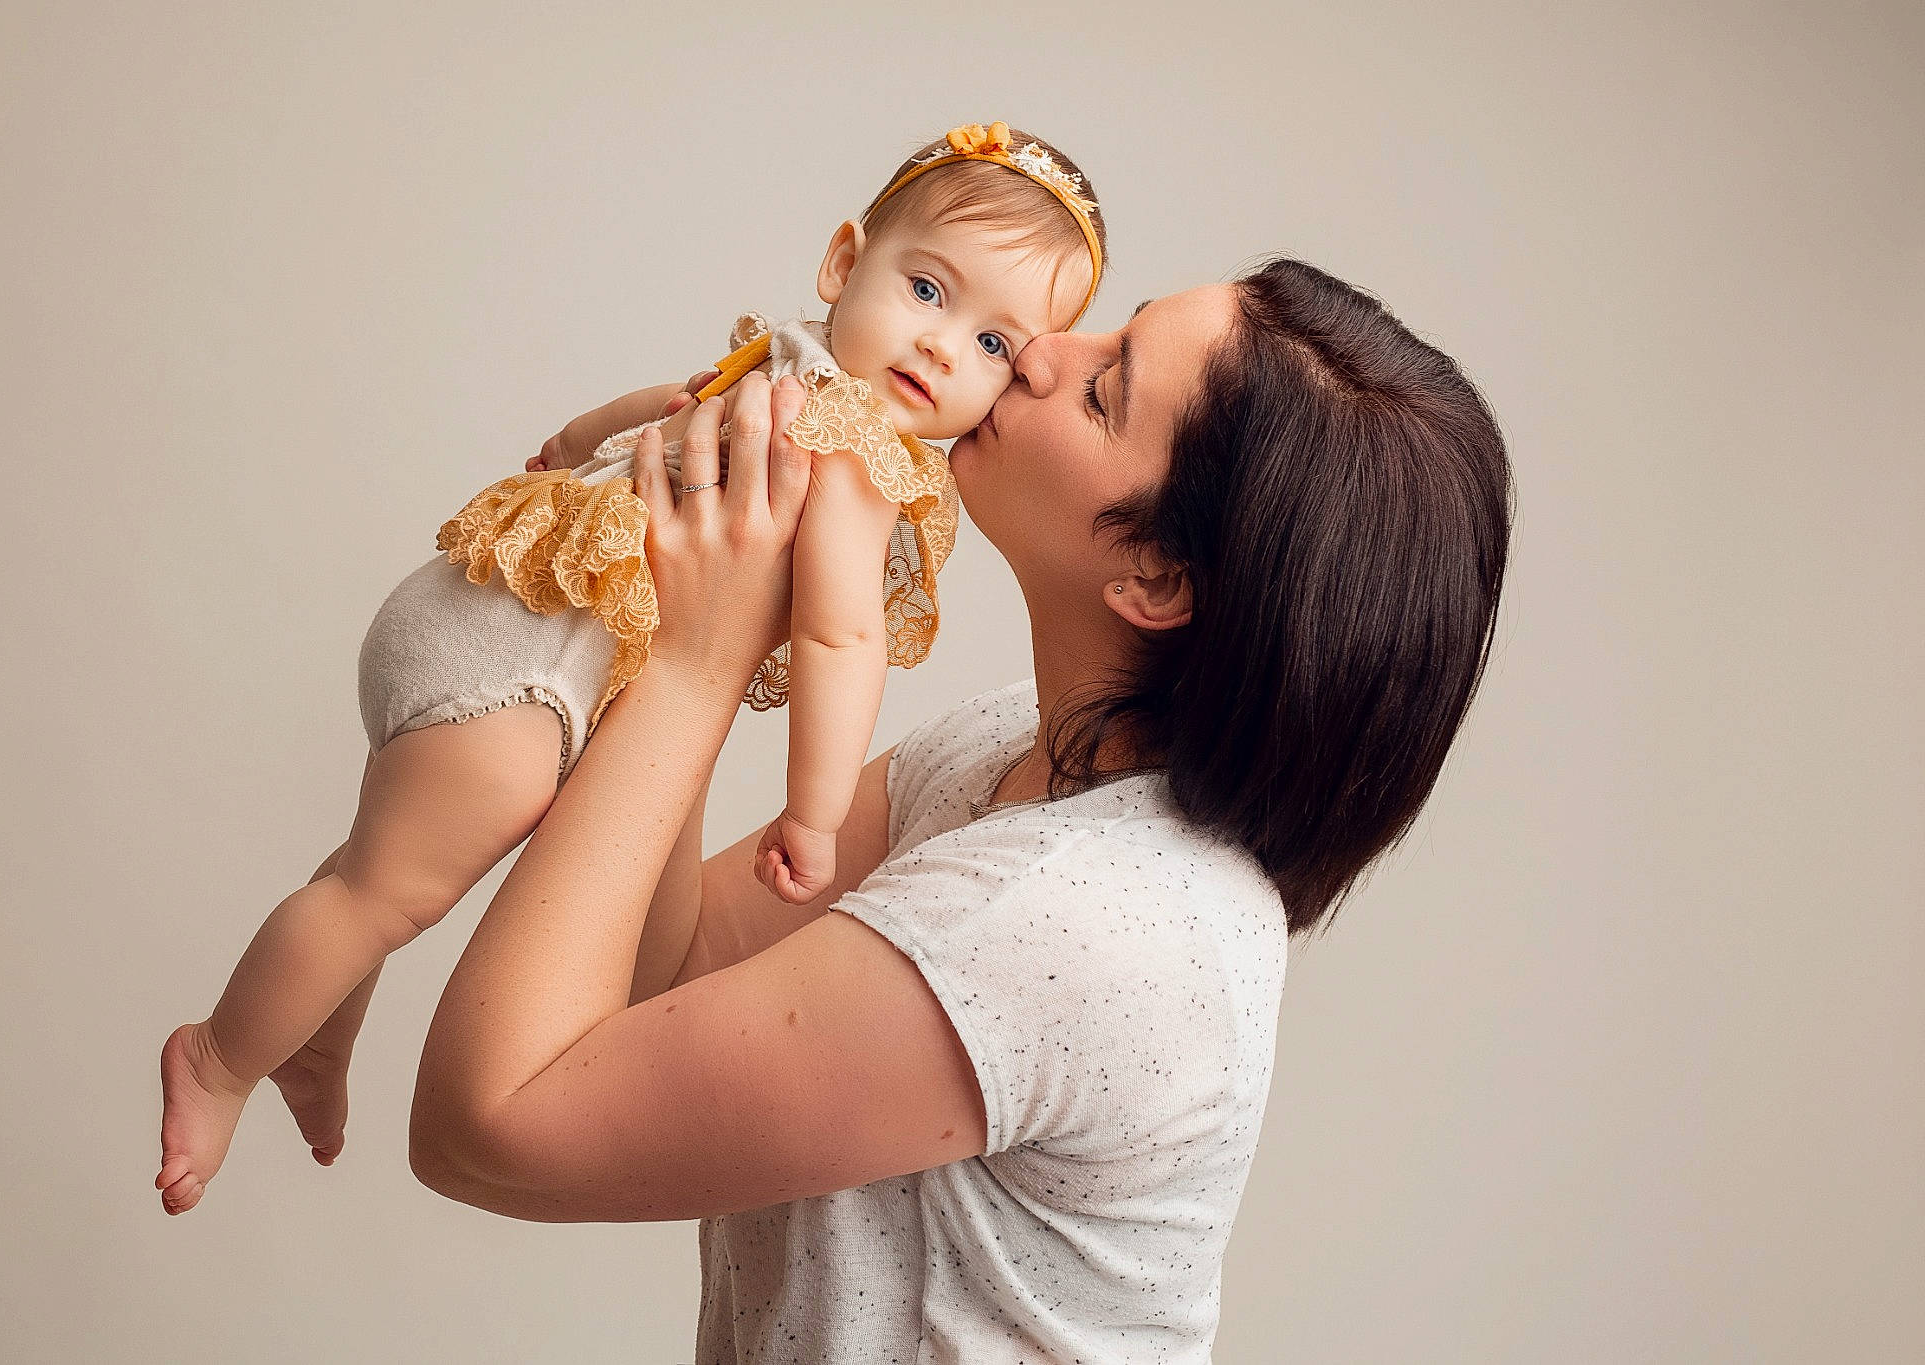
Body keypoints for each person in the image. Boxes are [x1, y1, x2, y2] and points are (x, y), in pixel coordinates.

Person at [407, 260, 1515, 1361]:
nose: (1038, 349)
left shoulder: (1080, 918)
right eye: (1113, 328)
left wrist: (694, 664)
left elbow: (481, 1129)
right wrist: (703, 587)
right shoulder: (1005, 751)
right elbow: (669, 974)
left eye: (1102, 389)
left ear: (1157, 574)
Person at [155, 122, 1109, 1215]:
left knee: (390, 866)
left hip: (483, 598)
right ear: (844, 263)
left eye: (995, 346)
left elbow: (644, 414)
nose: (943, 349)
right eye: (930, 290)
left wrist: (562, 454)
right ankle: (218, 1056)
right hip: (518, 655)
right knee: (395, 883)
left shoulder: (775, 363)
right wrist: (813, 814)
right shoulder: (852, 458)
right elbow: (843, 639)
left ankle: (311, 1037)